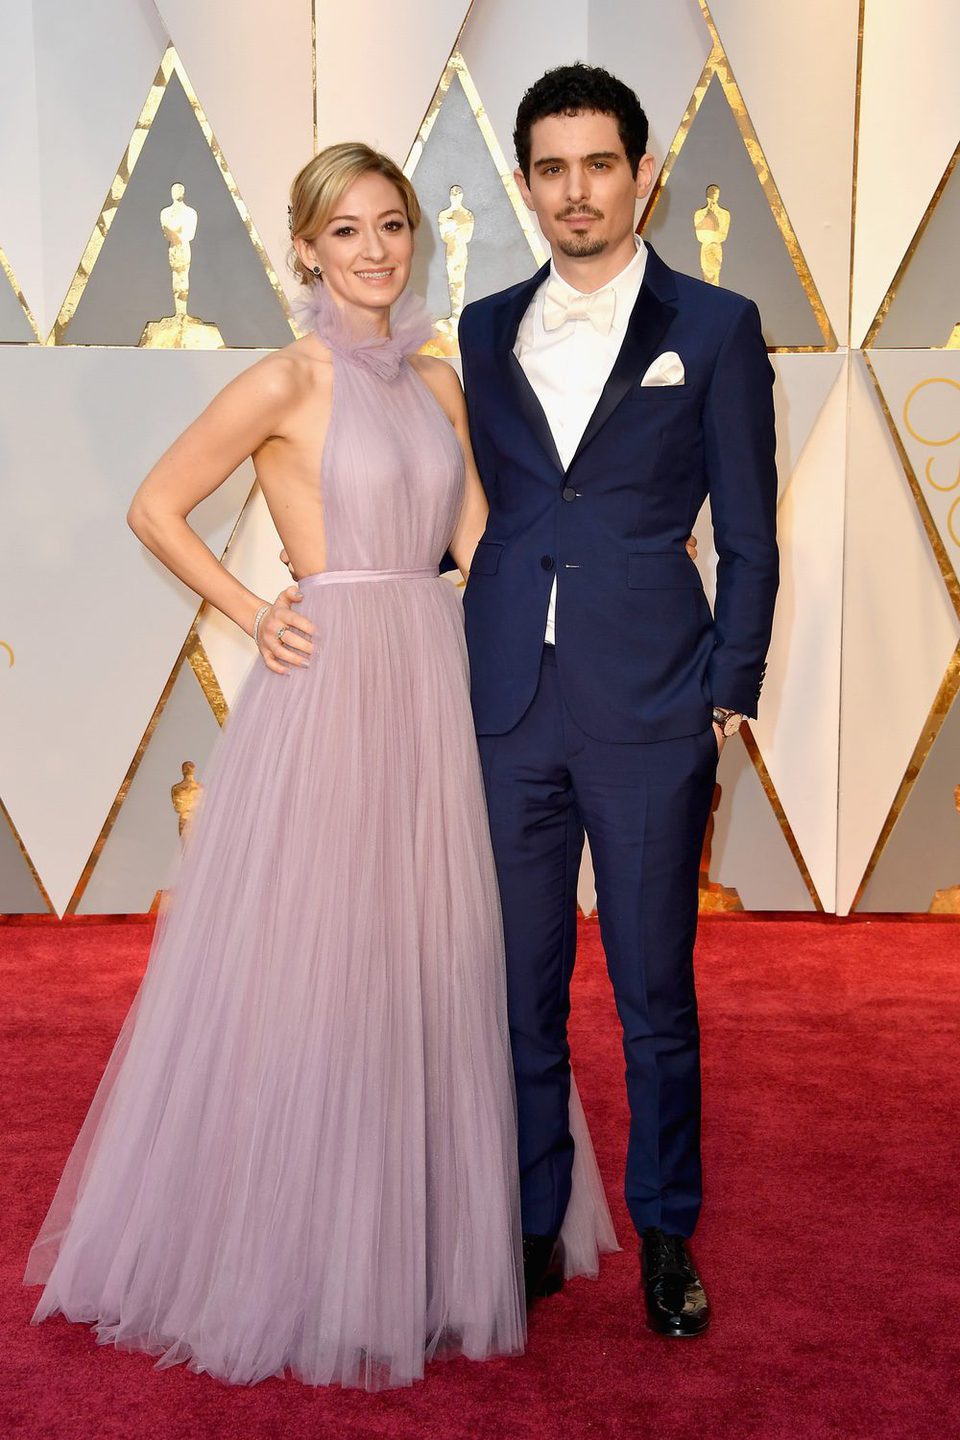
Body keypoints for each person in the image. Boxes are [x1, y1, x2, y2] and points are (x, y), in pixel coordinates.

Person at [24, 142, 616, 1390]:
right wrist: (253, 609)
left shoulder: (442, 382)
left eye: (391, 226)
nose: (374, 251)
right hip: (336, 680)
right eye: (345, 231)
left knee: (442, 955)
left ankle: (426, 1244)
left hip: (440, 675)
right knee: (327, 954)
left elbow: (485, 547)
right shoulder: (282, 382)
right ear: (305, 247)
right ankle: (306, 1248)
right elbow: (154, 505)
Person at [457, 65, 779, 1336]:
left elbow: (749, 534)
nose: (575, 190)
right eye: (551, 167)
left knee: (655, 991)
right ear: (527, 182)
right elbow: (476, 509)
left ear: (642, 173)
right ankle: (535, 1225)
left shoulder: (714, 324)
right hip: (506, 704)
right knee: (517, 985)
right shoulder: (482, 328)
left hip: (654, 705)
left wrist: (728, 692)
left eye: (600, 163)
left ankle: (664, 1233)